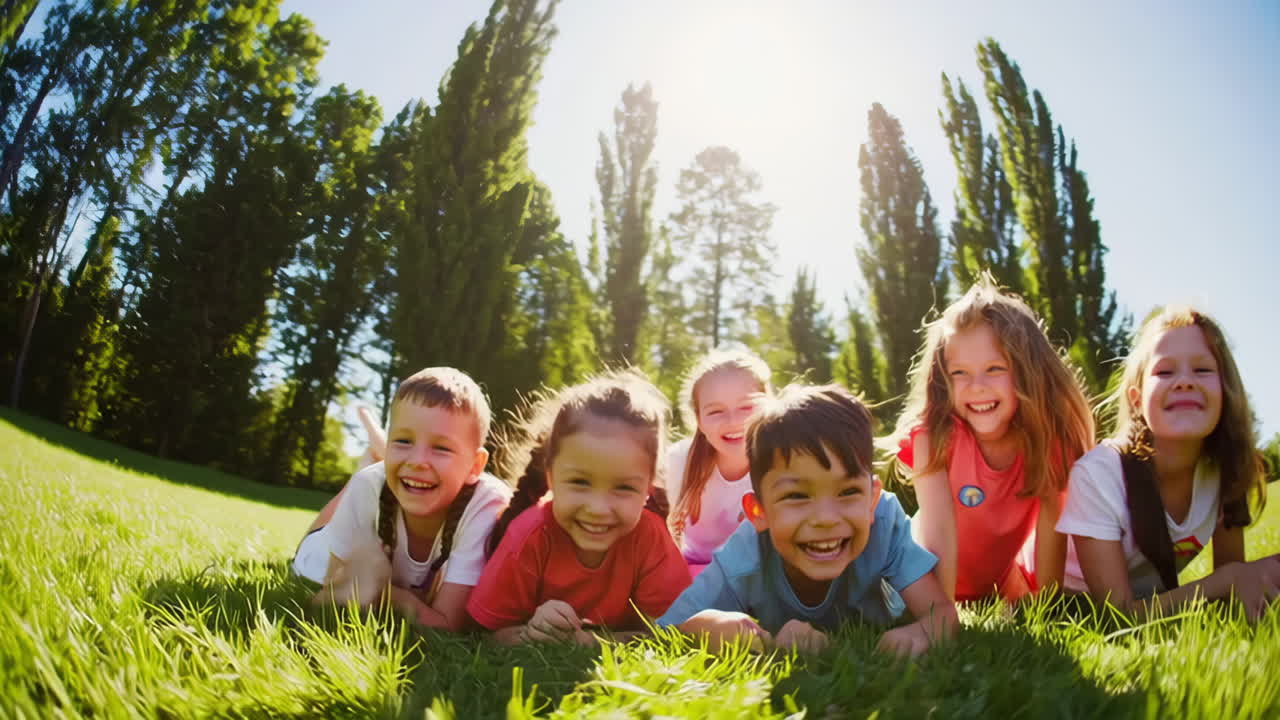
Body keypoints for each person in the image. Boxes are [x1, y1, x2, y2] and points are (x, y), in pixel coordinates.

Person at [658, 384, 955, 657]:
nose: (825, 519)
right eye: (797, 496)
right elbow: (668, 630)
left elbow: (941, 613)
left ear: (871, 499)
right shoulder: (745, 555)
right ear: (757, 512)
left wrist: (920, 634)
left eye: (848, 491)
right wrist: (711, 624)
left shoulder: (884, 520)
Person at [1057, 306, 1279, 619]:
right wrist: (1226, 581)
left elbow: (1231, 586)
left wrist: (1253, 578)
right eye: (1164, 372)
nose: (1185, 382)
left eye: (1202, 370)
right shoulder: (1098, 475)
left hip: (1150, 600)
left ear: (1226, 392)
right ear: (1137, 400)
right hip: (1071, 602)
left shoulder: (1226, 471)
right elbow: (1117, 614)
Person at [886, 279, 1094, 602]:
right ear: (942, 379)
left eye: (994, 368)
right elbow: (938, 532)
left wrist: (1047, 605)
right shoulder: (934, 434)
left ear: (1028, 372)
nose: (976, 386)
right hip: (915, 581)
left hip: (996, 586)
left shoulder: (1046, 440)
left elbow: (1053, 527)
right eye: (959, 373)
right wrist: (940, 614)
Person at [466, 372, 692, 644]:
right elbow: (485, 634)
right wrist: (531, 634)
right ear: (550, 476)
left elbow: (676, 632)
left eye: (624, 488)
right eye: (580, 482)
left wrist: (593, 643)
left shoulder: (650, 538)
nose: (598, 508)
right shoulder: (528, 536)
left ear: (648, 488)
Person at [291, 367, 511, 630]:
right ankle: (369, 461)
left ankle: (376, 453)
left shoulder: (486, 504)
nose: (418, 461)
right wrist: (360, 584)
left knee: (372, 480)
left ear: (475, 465)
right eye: (404, 441)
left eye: (441, 448)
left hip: (387, 486)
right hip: (321, 547)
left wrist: (384, 593)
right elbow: (331, 599)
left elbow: (449, 625)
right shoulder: (369, 487)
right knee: (355, 491)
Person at [666, 350, 772, 574]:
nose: (733, 421)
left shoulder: (783, 463)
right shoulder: (678, 462)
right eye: (716, 411)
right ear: (699, 421)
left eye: (747, 407)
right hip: (694, 570)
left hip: (757, 573)